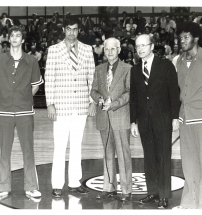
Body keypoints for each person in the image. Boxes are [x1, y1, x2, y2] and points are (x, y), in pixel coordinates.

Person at [45, 15, 96, 198]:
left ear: (79, 30)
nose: (72, 33)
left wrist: (92, 102)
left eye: (75, 29)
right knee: (60, 146)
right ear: (63, 30)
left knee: (76, 145)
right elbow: (49, 78)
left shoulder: (87, 50)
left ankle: (74, 183)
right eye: (69, 29)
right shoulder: (53, 50)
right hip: (61, 106)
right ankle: (57, 184)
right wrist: (50, 103)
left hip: (81, 106)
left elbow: (92, 78)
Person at [130, 34, 180, 209]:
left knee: (163, 157)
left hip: (163, 119)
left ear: (152, 46)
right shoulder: (135, 70)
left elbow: (174, 92)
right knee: (149, 157)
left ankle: (164, 195)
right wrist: (133, 122)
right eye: (138, 46)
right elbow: (134, 98)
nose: (141, 49)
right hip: (144, 121)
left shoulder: (166, 65)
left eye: (144, 45)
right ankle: (152, 192)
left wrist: (175, 117)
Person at [173, 21, 202, 209]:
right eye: (180, 37)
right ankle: (190, 201)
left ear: (196, 38)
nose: (182, 40)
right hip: (185, 117)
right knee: (188, 163)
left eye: (186, 36)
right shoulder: (179, 60)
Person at [0, 25, 43, 199]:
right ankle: (3, 186)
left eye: (18, 35)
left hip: (25, 112)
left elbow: (35, 85)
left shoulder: (31, 61)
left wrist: (23, 97)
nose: (15, 38)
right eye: (13, 35)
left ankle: (31, 187)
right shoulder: (0, 60)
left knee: (28, 150)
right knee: (3, 151)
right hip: (4, 112)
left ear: (23, 40)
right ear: (9, 39)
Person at [91, 37, 132, 201]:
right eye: (106, 49)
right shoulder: (99, 69)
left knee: (123, 154)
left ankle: (126, 190)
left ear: (119, 50)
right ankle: (109, 187)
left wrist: (114, 103)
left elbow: (129, 92)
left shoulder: (128, 68)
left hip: (121, 116)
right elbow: (93, 90)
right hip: (104, 117)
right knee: (107, 154)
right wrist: (99, 99)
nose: (109, 52)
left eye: (113, 49)